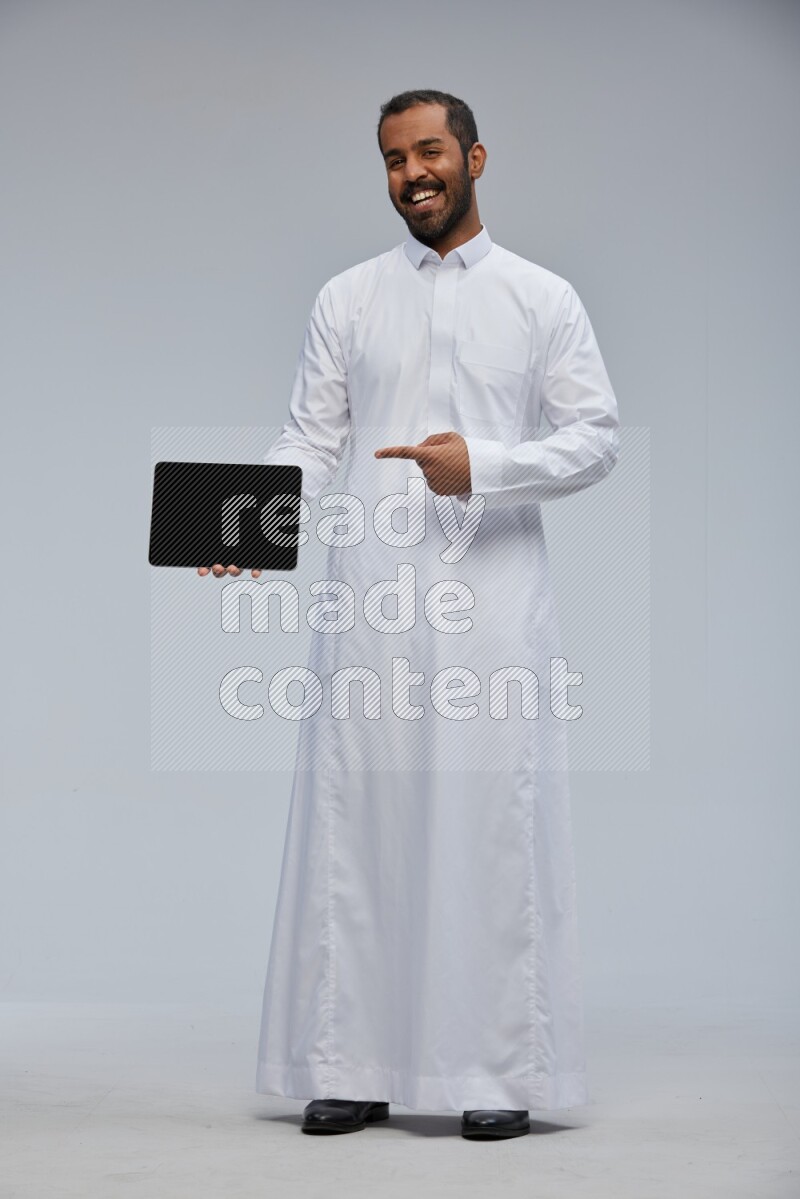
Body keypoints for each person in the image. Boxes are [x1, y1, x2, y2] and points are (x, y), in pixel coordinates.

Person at [200, 88, 620, 1141]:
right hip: (371, 600)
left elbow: (593, 438)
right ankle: (352, 1061)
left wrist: (481, 464)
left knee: (485, 829)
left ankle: (492, 1069)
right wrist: (249, 526)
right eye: (392, 159)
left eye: (428, 152)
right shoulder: (348, 297)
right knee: (363, 823)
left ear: (473, 156)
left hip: (490, 603)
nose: (411, 174)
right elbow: (307, 433)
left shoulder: (540, 298)